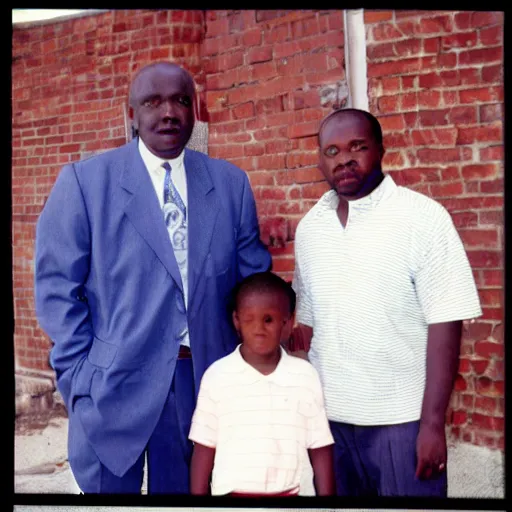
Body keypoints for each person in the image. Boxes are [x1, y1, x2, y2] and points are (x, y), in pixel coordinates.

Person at [34, 61, 271, 494]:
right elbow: (55, 289)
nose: (169, 112)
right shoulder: (85, 183)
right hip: (111, 384)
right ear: (131, 113)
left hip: (200, 383)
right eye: (153, 101)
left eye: (181, 101)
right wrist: (79, 377)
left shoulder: (230, 184)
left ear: (195, 111)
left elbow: (253, 287)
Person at [290, 108, 482, 497]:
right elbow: (307, 326)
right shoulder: (312, 226)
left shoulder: (422, 218)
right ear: (319, 160)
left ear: (380, 149)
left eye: (357, 146)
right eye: (331, 150)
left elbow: (446, 322)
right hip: (333, 424)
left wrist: (432, 424)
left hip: (402, 422)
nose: (344, 158)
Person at [188, 271, 336, 497]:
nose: (259, 329)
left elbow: (320, 449)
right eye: (249, 319)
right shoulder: (217, 377)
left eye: (269, 320)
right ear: (237, 321)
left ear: (286, 324)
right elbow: (203, 450)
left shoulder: (304, 376)